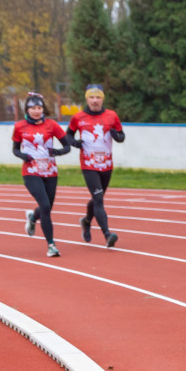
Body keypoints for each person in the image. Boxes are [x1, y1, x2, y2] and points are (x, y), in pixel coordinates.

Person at [12, 92, 72, 257]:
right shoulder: (19, 127)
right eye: (33, 108)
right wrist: (23, 155)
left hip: (50, 171)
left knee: (46, 208)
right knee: (45, 206)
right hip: (31, 172)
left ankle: (32, 217)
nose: (36, 111)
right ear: (27, 110)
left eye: (39, 108)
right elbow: (15, 150)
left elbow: (67, 146)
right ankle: (51, 245)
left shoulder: (52, 125)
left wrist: (57, 152)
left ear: (43, 109)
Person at [65, 84, 124, 248]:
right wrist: (75, 143)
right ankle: (107, 235)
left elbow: (121, 136)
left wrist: (116, 136)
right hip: (88, 164)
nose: (95, 100)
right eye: (92, 97)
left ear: (102, 99)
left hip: (106, 164)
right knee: (98, 199)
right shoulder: (78, 117)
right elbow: (67, 135)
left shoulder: (111, 115)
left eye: (98, 97)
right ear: (87, 98)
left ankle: (86, 221)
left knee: (98, 198)